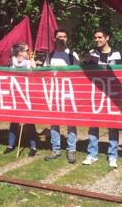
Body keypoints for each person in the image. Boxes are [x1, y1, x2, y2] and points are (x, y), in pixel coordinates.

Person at [82, 29, 122, 169]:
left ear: (107, 38)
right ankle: (92, 154)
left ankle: (112, 155)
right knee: (93, 124)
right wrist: (86, 62)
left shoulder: (117, 53)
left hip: (112, 95)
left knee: (113, 125)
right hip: (95, 94)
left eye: (100, 37)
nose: (97, 39)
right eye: (95, 37)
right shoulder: (91, 53)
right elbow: (85, 73)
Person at [43, 29, 81, 164]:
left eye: (64, 36)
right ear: (54, 39)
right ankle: (56, 149)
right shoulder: (50, 55)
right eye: (59, 37)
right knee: (54, 123)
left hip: (69, 94)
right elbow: (45, 73)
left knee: (71, 123)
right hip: (54, 94)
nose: (62, 39)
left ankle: (71, 149)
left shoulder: (72, 55)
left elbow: (78, 74)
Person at [5, 42, 38, 156]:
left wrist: (32, 60)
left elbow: (35, 69)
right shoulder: (11, 62)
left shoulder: (29, 63)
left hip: (27, 95)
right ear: (20, 52)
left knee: (29, 121)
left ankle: (33, 146)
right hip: (15, 95)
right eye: (26, 50)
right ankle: (10, 144)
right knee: (14, 121)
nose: (28, 52)